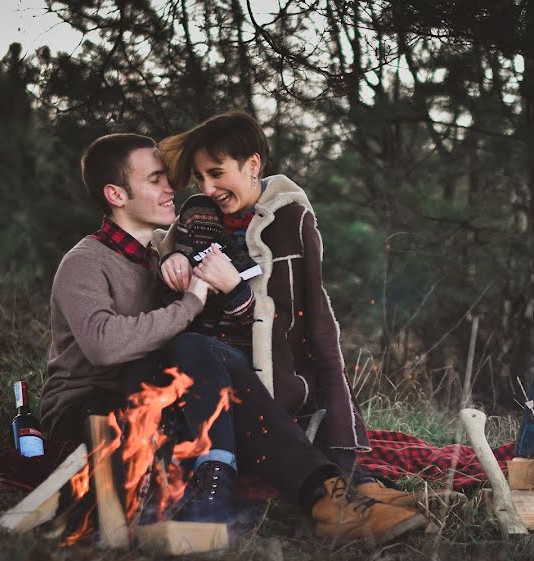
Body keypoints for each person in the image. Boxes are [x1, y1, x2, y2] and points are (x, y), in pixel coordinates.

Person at [155, 111, 426, 542]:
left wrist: (346, 443)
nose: (207, 187)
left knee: (209, 356)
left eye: (218, 173)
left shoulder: (292, 221)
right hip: (203, 379)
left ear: (254, 165)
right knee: (193, 345)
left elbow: (318, 328)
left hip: (271, 385)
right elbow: (172, 306)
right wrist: (172, 258)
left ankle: (343, 489)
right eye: (201, 177)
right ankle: (331, 499)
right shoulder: (195, 220)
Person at [39, 133, 240, 522]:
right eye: (156, 179)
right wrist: (190, 304)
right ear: (116, 195)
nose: (171, 188)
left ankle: (217, 477)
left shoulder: (161, 259)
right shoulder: (84, 262)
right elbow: (104, 345)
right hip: (87, 403)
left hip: (151, 390)